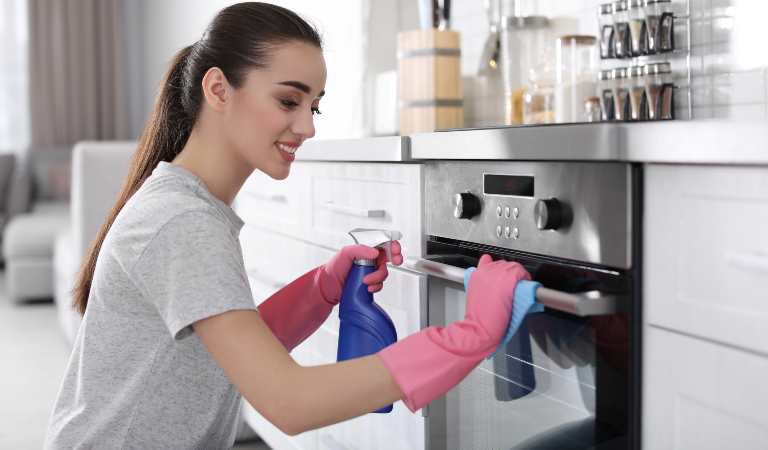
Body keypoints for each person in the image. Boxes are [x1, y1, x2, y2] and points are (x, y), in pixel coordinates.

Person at [44, 2, 530, 449]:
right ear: (217, 90)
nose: (308, 126)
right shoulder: (181, 221)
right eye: (288, 101)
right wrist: (470, 334)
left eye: (313, 105)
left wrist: (321, 289)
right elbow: (290, 402)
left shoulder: (191, 206)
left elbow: (229, 357)